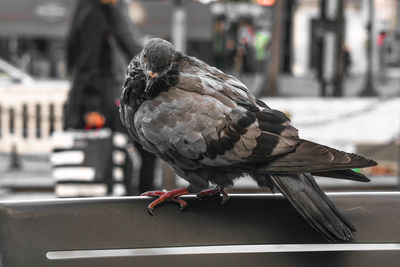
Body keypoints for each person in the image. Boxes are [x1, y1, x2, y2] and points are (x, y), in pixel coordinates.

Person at [64, 0, 156, 195]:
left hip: (106, 98)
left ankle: (135, 202)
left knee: (126, 157)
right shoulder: (95, 17)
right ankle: (138, 204)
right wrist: (92, 108)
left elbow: (131, 48)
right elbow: (87, 65)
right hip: (99, 102)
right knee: (133, 154)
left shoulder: (105, 12)